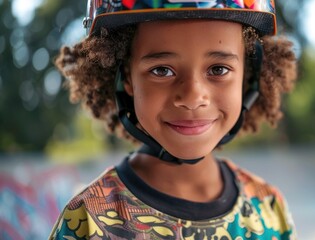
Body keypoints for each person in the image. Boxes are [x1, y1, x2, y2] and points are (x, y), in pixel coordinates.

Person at [49, 0, 298, 239]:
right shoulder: (87, 220)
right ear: (127, 78)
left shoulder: (269, 210)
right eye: (161, 70)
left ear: (248, 74)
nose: (192, 97)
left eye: (218, 69)